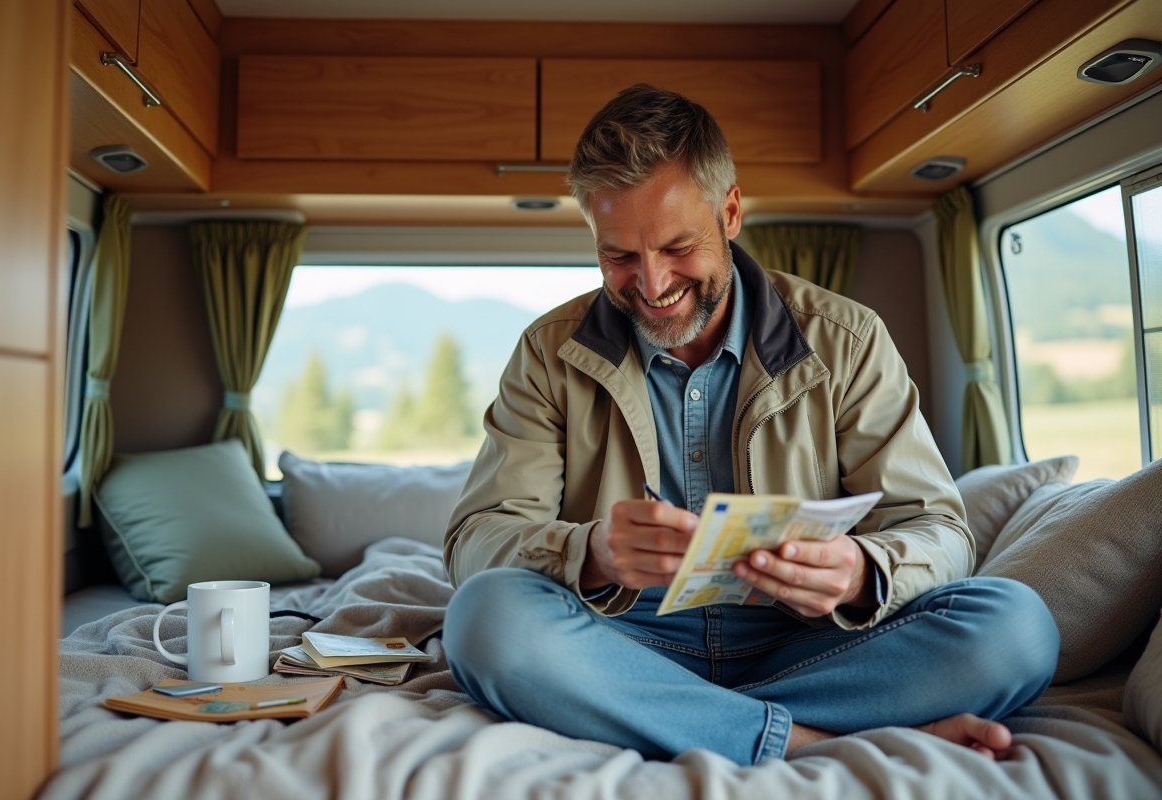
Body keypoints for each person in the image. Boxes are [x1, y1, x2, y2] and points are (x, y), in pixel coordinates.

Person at [441, 84, 1060, 766]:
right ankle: (808, 740)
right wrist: (591, 553)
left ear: (730, 211)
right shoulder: (546, 352)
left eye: (678, 246)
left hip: (809, 640)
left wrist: (861, 572)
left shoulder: (848, 340)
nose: (651, 285)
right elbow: (477, 541)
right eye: (619, 256)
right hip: (624, 637)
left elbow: (942, 532)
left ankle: (669, 719)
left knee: (1017, 627)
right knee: (484, 621)